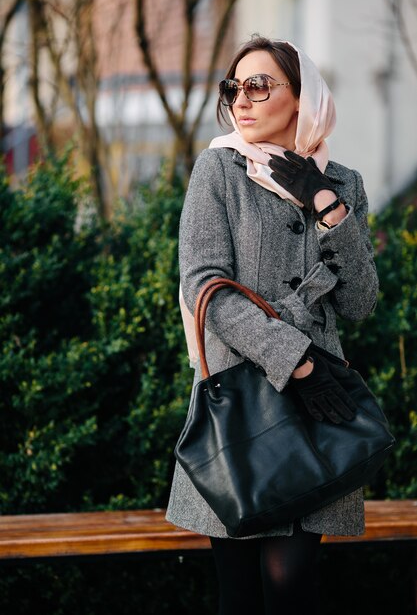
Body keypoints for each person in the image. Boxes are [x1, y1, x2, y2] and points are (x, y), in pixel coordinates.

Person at [166, 36, 378, 615]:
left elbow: (359, 302)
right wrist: (297, 361)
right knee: (239, 591)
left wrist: (329, 207)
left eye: (258, 85)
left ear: (301, 95)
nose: (242, 99)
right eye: (233, 88)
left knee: (294, 585)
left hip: (316, 411)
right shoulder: (217, 169)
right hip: (243, 401)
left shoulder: (344, 183)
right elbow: (203, 284)